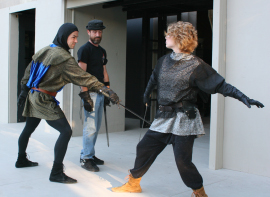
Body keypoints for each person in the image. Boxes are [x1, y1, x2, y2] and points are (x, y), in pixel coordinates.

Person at [111, 21, 264, 196]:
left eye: (169, 34)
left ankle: (199, 192)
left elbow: (221, 85)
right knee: (144, 148)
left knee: (183, 161)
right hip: (163, 117)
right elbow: (154, 78)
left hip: (184, 119)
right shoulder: (163, 61)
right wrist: (146, 94)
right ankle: (133, 183)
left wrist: (243, 97)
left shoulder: (196, 66)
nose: (166, 37)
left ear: (179, 37)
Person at [15, 23, 119, 184]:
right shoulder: (63, 57)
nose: (76, 41)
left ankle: (21, 159)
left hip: (33, 95)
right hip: (44, 99)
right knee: (65, 131)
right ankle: (56, 172)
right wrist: (107, 90)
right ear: (64, 37)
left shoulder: (46, 49)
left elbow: (29, 70)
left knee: (28, 128)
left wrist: (23, 91)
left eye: (77, 37)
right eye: (73, 37)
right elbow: (84, 76)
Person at [77, 19, 111, 172]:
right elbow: (81, 74)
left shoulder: (102, 50)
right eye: (95, 32)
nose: (98, 34)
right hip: (90, 93)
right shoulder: (84, 50)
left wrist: (108, 91)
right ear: (88, 32)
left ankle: (89, 154)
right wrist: (85, 95)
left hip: (101, 92)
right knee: (90, 127)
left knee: (96, 127)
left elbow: (103, 71)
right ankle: (86, 158)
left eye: (100, 32)